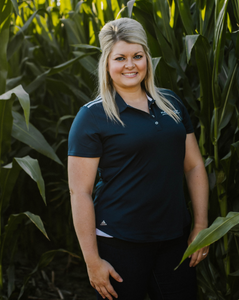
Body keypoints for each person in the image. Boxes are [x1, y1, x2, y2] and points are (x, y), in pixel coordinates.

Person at [68, 17, 209, 300]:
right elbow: (79, 191)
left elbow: (193, 166)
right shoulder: (92, 116)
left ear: (147, 58)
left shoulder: (170, 104)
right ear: (107, 63)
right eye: (120, 58)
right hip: (119, 242)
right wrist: (92, 261)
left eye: (137, 56)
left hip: (174, 239)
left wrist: (201, 226)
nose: (130, 65)